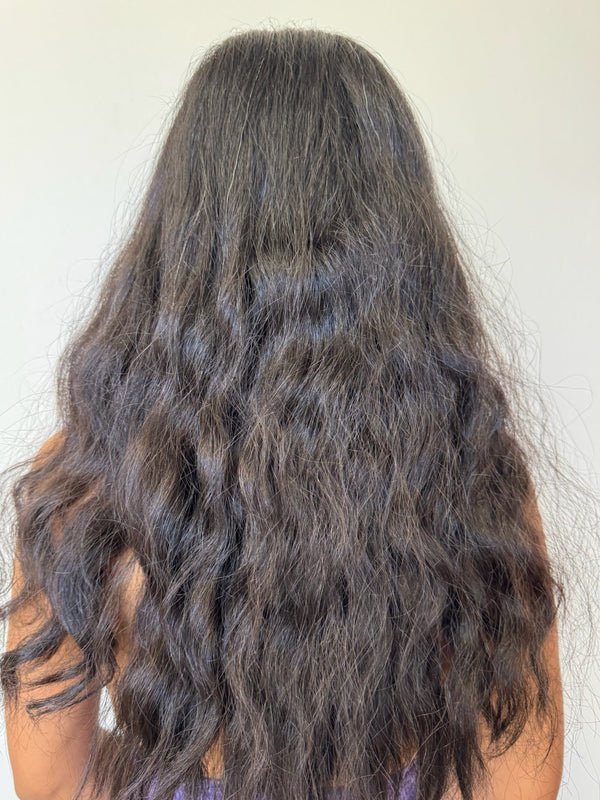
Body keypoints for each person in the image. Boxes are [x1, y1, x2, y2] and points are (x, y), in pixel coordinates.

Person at [0, 26, 564, 800]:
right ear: (400, 241)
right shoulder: (472, 471)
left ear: (184, 224)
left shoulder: (86, 480)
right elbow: (522, 779)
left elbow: (52, 781)